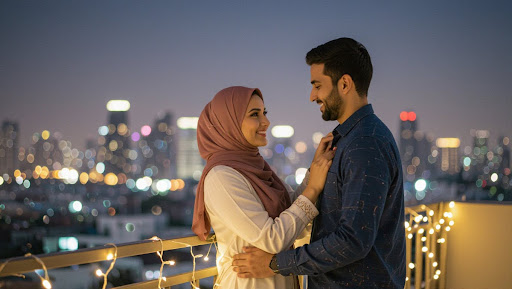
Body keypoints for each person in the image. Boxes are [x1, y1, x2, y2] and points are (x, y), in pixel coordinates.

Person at [232, 37, 406, 288]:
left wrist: (275, 263)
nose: (312, 96)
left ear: (344, 83)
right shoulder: (349, 139)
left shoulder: (364, 143)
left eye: (317, 85)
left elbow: (353, 240)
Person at [192, 86, 335, 288]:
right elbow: (273, 239)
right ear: (229, 123)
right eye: (254, 114)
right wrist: (312, 189)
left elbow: (292, 214)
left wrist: (314, 169)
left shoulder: (256, 168)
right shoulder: (221, 176)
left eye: (264, 113)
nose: (266, 121)